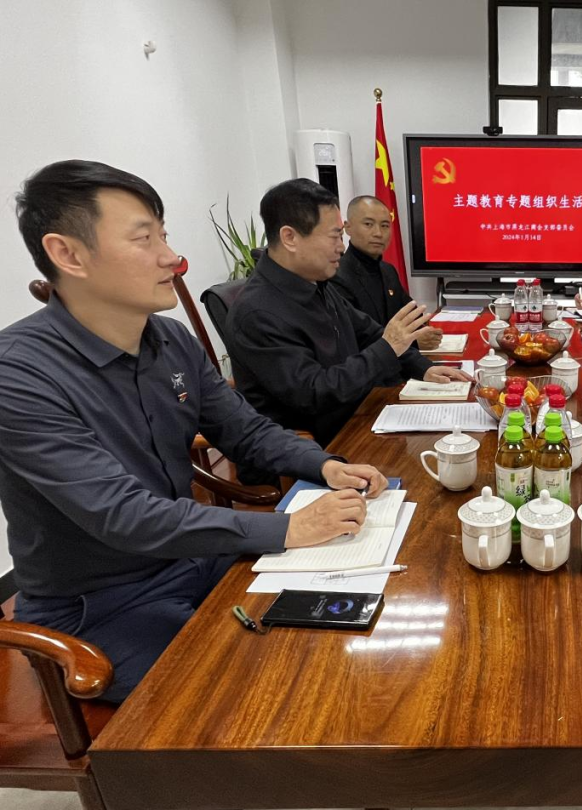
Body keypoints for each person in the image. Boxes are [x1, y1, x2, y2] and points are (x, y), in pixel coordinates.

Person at [1, 160, 388, 702]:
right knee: (257, 694)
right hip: (102, 605)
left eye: (164, 235)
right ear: (67, 254)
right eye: (144, 239)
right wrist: (288, 529)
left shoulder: (171, 340)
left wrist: (324, 465)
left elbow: (245, 430)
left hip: (194, 559)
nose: (171, 257)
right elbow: (124, 515)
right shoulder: (18, 374)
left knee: (349, 622)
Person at [226, 179, 470, 459]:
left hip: (357, 418)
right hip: (314, 451)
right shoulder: (258, 313)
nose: (342, 248)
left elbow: (369, 332)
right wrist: (388, 347)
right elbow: (315, 394)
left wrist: (424, 369)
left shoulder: (316, 284)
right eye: (334, 236)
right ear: (290, 237)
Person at [330, 195, 443, 351]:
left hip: (401, 359)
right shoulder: (337, 276)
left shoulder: (388, 270)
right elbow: (356, 337)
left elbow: (412, 313)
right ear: (347, 228)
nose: (378, 233)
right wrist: (413, 342)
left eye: (385, 225)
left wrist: (424, 331)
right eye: (368, 224)